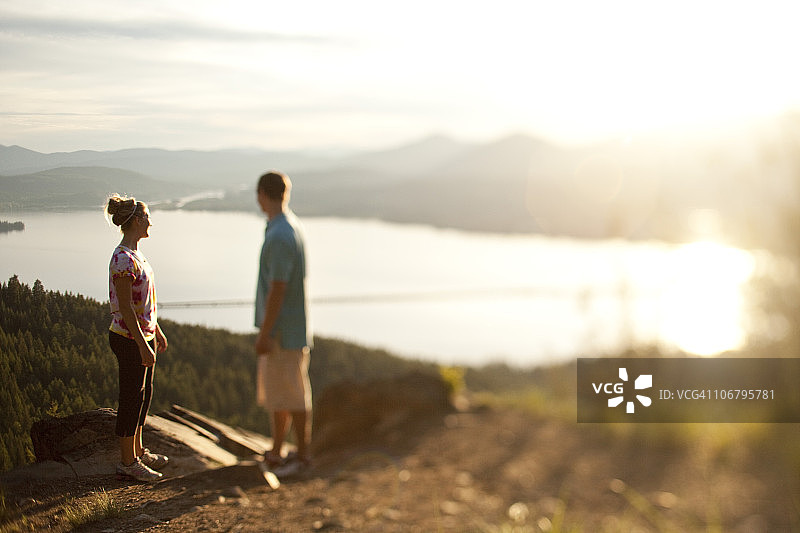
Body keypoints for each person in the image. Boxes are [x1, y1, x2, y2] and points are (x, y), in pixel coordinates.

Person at [105, 195, 169, 482]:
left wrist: (157, 331)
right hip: (128, 338)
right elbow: (126, 308)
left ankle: (139, 451)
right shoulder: (123, 259)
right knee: (131, 398)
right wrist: (143, 344)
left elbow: (144, 303)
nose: (150, 223)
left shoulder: (136, 254)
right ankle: (128, 462)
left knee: (144, 395)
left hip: (144, 335)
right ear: (136, 221)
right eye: (147, 218)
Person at [254, 171, 313, 477]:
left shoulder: (279, 235)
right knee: (282, 395)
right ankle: (278, 451)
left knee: (294, 395)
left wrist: (265, 333)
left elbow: (277, 288)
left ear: (262, 194)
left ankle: (301, 457)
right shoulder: (289, 226)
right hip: (290, 329)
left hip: (282, 332)